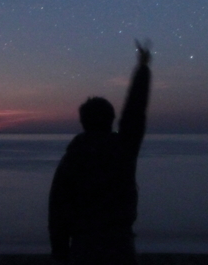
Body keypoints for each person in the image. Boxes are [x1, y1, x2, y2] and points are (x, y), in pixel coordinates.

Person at [49, 41, 152, 265]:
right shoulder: (123, 148)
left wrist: (60, 254)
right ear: (111, 120)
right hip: (119, 245)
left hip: (83, 247)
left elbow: (57, 210)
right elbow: (135, 111)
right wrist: (143, 68)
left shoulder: (73, 158)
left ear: (83, 122)